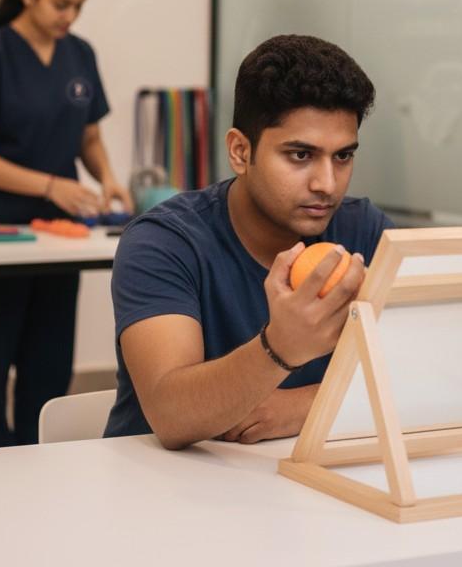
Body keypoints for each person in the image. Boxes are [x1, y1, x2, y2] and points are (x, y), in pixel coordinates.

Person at [104, 34, 393, 448]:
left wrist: (304, 405)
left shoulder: (363, 229)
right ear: (240, 151)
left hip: (291, 490)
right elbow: (170, 415)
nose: (327, 184)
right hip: (161, 492)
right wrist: (279, 349)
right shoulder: (162, 242)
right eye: (300, 155)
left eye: (343, 156)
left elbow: (431, 371)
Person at [0, 0, 131, 449]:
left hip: (60, 236)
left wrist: (108, 179)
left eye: (78, 6)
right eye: (60, 4)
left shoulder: (80, 55)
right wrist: (52, 185)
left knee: (49, 362)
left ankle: (39, 463)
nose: (69, 17)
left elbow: (88, 137)